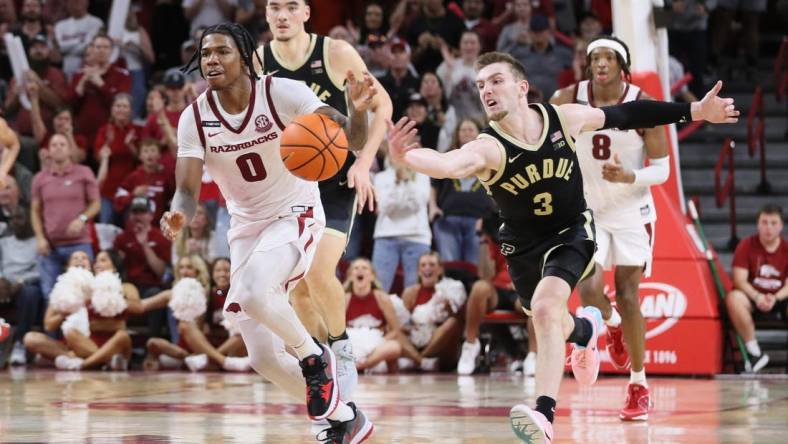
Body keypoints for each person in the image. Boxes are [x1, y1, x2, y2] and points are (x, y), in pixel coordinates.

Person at [386, 51, 738, 442]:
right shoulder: (487, 148)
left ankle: (544, 414)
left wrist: (696, 110)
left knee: (545, 306)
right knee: (549, 317)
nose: (486, 89)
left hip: (572, 231)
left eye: (496, 80)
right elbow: (447, 164)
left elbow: (629, 115)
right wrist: (407, 156)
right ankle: (586, 330)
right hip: (521, 248)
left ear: (522, 88)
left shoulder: (563, 118)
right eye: (481, 84)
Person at [161, 23, 376, 441]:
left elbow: (351, 139)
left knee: (259, 291)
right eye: (205, 54)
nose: (211, 60)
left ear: (244, 56)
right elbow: (186, 191)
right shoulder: (195, 118)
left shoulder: (283, 93)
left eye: (221, 52)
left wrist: (358, 109)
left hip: (295, 211)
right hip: (245, 228)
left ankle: (316, 361)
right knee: (262, 357)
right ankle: (346, 418)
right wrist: (177, 214)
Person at [257, 0, 393, 402]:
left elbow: (381, 103)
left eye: (291, 6)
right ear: (266, 14)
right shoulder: (256, 62)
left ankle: (343, 348)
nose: (281, 14)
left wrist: (365, 162)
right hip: (288, 184)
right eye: (274, 7)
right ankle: (322, 362)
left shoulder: (334, 53)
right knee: (296, 288)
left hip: (335, 178)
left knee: (317, 271)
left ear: (305, 13)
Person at [550, 35, 671, 422]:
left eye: (609, 57)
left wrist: (629, 175)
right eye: (595, 57)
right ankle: (613, 325)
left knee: (629, 293)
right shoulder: (567, 97)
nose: (601, 63)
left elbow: (663, 169)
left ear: (622, 65)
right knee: (587, 288)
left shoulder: (644, 104)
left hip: (633, 211)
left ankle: (638, 384)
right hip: (588, 211)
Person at [143, 256, 250, 372]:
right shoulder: (205, 294)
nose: (222, 274)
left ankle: (210, 360)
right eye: (218, 270)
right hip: (207, 345)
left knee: (244, 332)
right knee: (182, 327)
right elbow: (196, 328)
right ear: (212, 273)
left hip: (232, 346)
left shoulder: (239, 294)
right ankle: (214, 360)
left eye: (226, 270)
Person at [31, 134, 99, 300]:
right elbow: (34, 211)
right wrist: (40, 238)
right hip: (50, 246)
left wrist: (82, 219)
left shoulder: (84, 172)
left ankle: (81, 326)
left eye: (62, 144)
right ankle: (52, 326)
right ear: (48, 151)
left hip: (79, 243)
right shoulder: (40, 178)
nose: (58, 147)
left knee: (83, 291)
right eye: (54, 145)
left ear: (69, 149)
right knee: (50, 294)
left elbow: (96, 203)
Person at [725, 204, 788, 373]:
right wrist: (758, 296)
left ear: (781, 226)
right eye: (764, 222)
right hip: (753, 298)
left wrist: (775, 298)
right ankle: (754, 354)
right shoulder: (746, 245)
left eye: (773, 223)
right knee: (733, 298)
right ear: (758, 224)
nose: (768, 227)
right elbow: (739, 280)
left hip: (780, 298)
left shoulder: (786, 249)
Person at [397, 251, 466, 372]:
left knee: (452, 323)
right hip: (416, 341)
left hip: (442, 349)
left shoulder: (451, 289)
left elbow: (459, 324)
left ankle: (418, 360)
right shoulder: (410, 293)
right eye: (423, 265)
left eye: (432, 265)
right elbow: (403, 323)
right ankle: (421, 361)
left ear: (439, 269)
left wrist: (448, 307)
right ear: (419, 271)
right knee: (393, 331)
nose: (427, 268)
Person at [0, 207, 43, 365]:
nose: (15, 222)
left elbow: (40, 271)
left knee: (30, 293)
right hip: (4, 284)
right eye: (12, 219)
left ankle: (19, 343)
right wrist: (2, 280)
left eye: (19, 218)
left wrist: (20, 282)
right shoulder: (3, 242)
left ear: (29, 221)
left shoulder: (38, 242)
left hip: (25, 284)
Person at [343, 258, 402, 372]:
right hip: (351, 342)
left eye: (364, 268)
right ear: (350, 276)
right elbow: (336, 329)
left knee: (395, 346)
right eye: (356, 268)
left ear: (372, 276)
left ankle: (362, 365)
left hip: (376, 347)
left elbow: (395, 330)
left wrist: (378, 342)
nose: (360, 270)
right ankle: (352, 364)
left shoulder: (381, 297)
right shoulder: (345, 298)